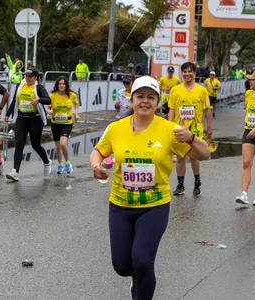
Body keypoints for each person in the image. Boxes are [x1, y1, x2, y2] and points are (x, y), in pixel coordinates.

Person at [89, 76, 210, 300]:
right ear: (132, 99)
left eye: (151, 97)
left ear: (157, 101)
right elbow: (98, 151)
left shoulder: (169, 130)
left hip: (154, 206)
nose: (145, 101)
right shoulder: (116, 128)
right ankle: (137, 279)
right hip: (120, 205)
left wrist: (192, 138)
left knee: (143, 261)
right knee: (122, 266)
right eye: (140, 96)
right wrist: (96, 166)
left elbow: (205, 154)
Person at [168, 62, 212, 196]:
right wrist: (169, 126)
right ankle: (180, 185)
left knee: (194, 158)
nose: (187, 74)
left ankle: (197, 182)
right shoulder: (175, 90)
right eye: (184, 72)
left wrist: (209, 127)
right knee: (180, 158)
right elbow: (172, 109)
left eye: (190, 72)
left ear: (194, 73)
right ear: (181, 73)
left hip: (195, 131)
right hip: (179, 130)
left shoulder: (202, 90)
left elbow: (207, 110)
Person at [5, 67, 52, 181]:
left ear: (35, 77)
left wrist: (39, 100)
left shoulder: (38, 87)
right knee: (19, 143)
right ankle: (15, 171)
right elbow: (14, 101)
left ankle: (46, 161)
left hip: (35, 119)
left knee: (35, 145)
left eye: (30, 76)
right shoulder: (20, 85)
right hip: (22, 118)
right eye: (26, 76)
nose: (27, 78)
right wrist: (7, 114)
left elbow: (49, 100)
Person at [236, 70, 255, 206]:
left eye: (252, 79)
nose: (249, 81)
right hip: (249, 132)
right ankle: (244, 194)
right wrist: (251, 128)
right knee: (246, 162)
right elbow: (248, 110)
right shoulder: (248, 94)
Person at [48, 76, 79, 174]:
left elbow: (76, 104)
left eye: (63, 84)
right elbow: (48, 108)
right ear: (57, 85)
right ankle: (60, 164)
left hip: (67, 123)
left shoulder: (72, 95)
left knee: (62, 143)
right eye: (59, 84)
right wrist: (50, 111)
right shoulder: (52, 96)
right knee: (57, 146)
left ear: (66, 85)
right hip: (55, 123)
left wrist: (76, 113)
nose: (61, 85)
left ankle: (67, 163)